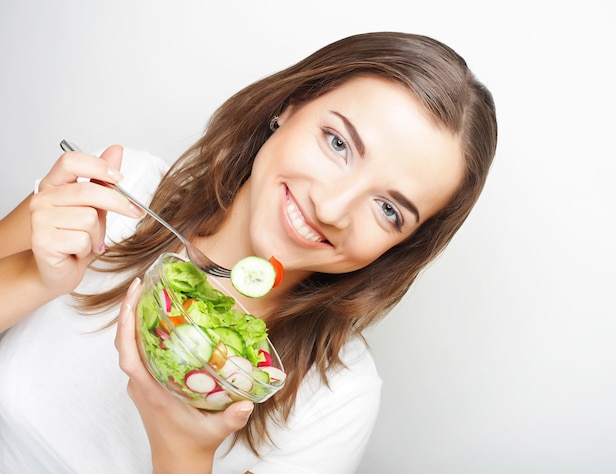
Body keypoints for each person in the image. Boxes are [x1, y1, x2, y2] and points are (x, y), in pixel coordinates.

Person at [0, 31, 497, 473]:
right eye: (338, 143)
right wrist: (37, 278)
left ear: (401, 247)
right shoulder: (118, 192)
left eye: (389, 209)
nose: (330, 207)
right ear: (290, 105)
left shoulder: (338, 398)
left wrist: (185, 453)